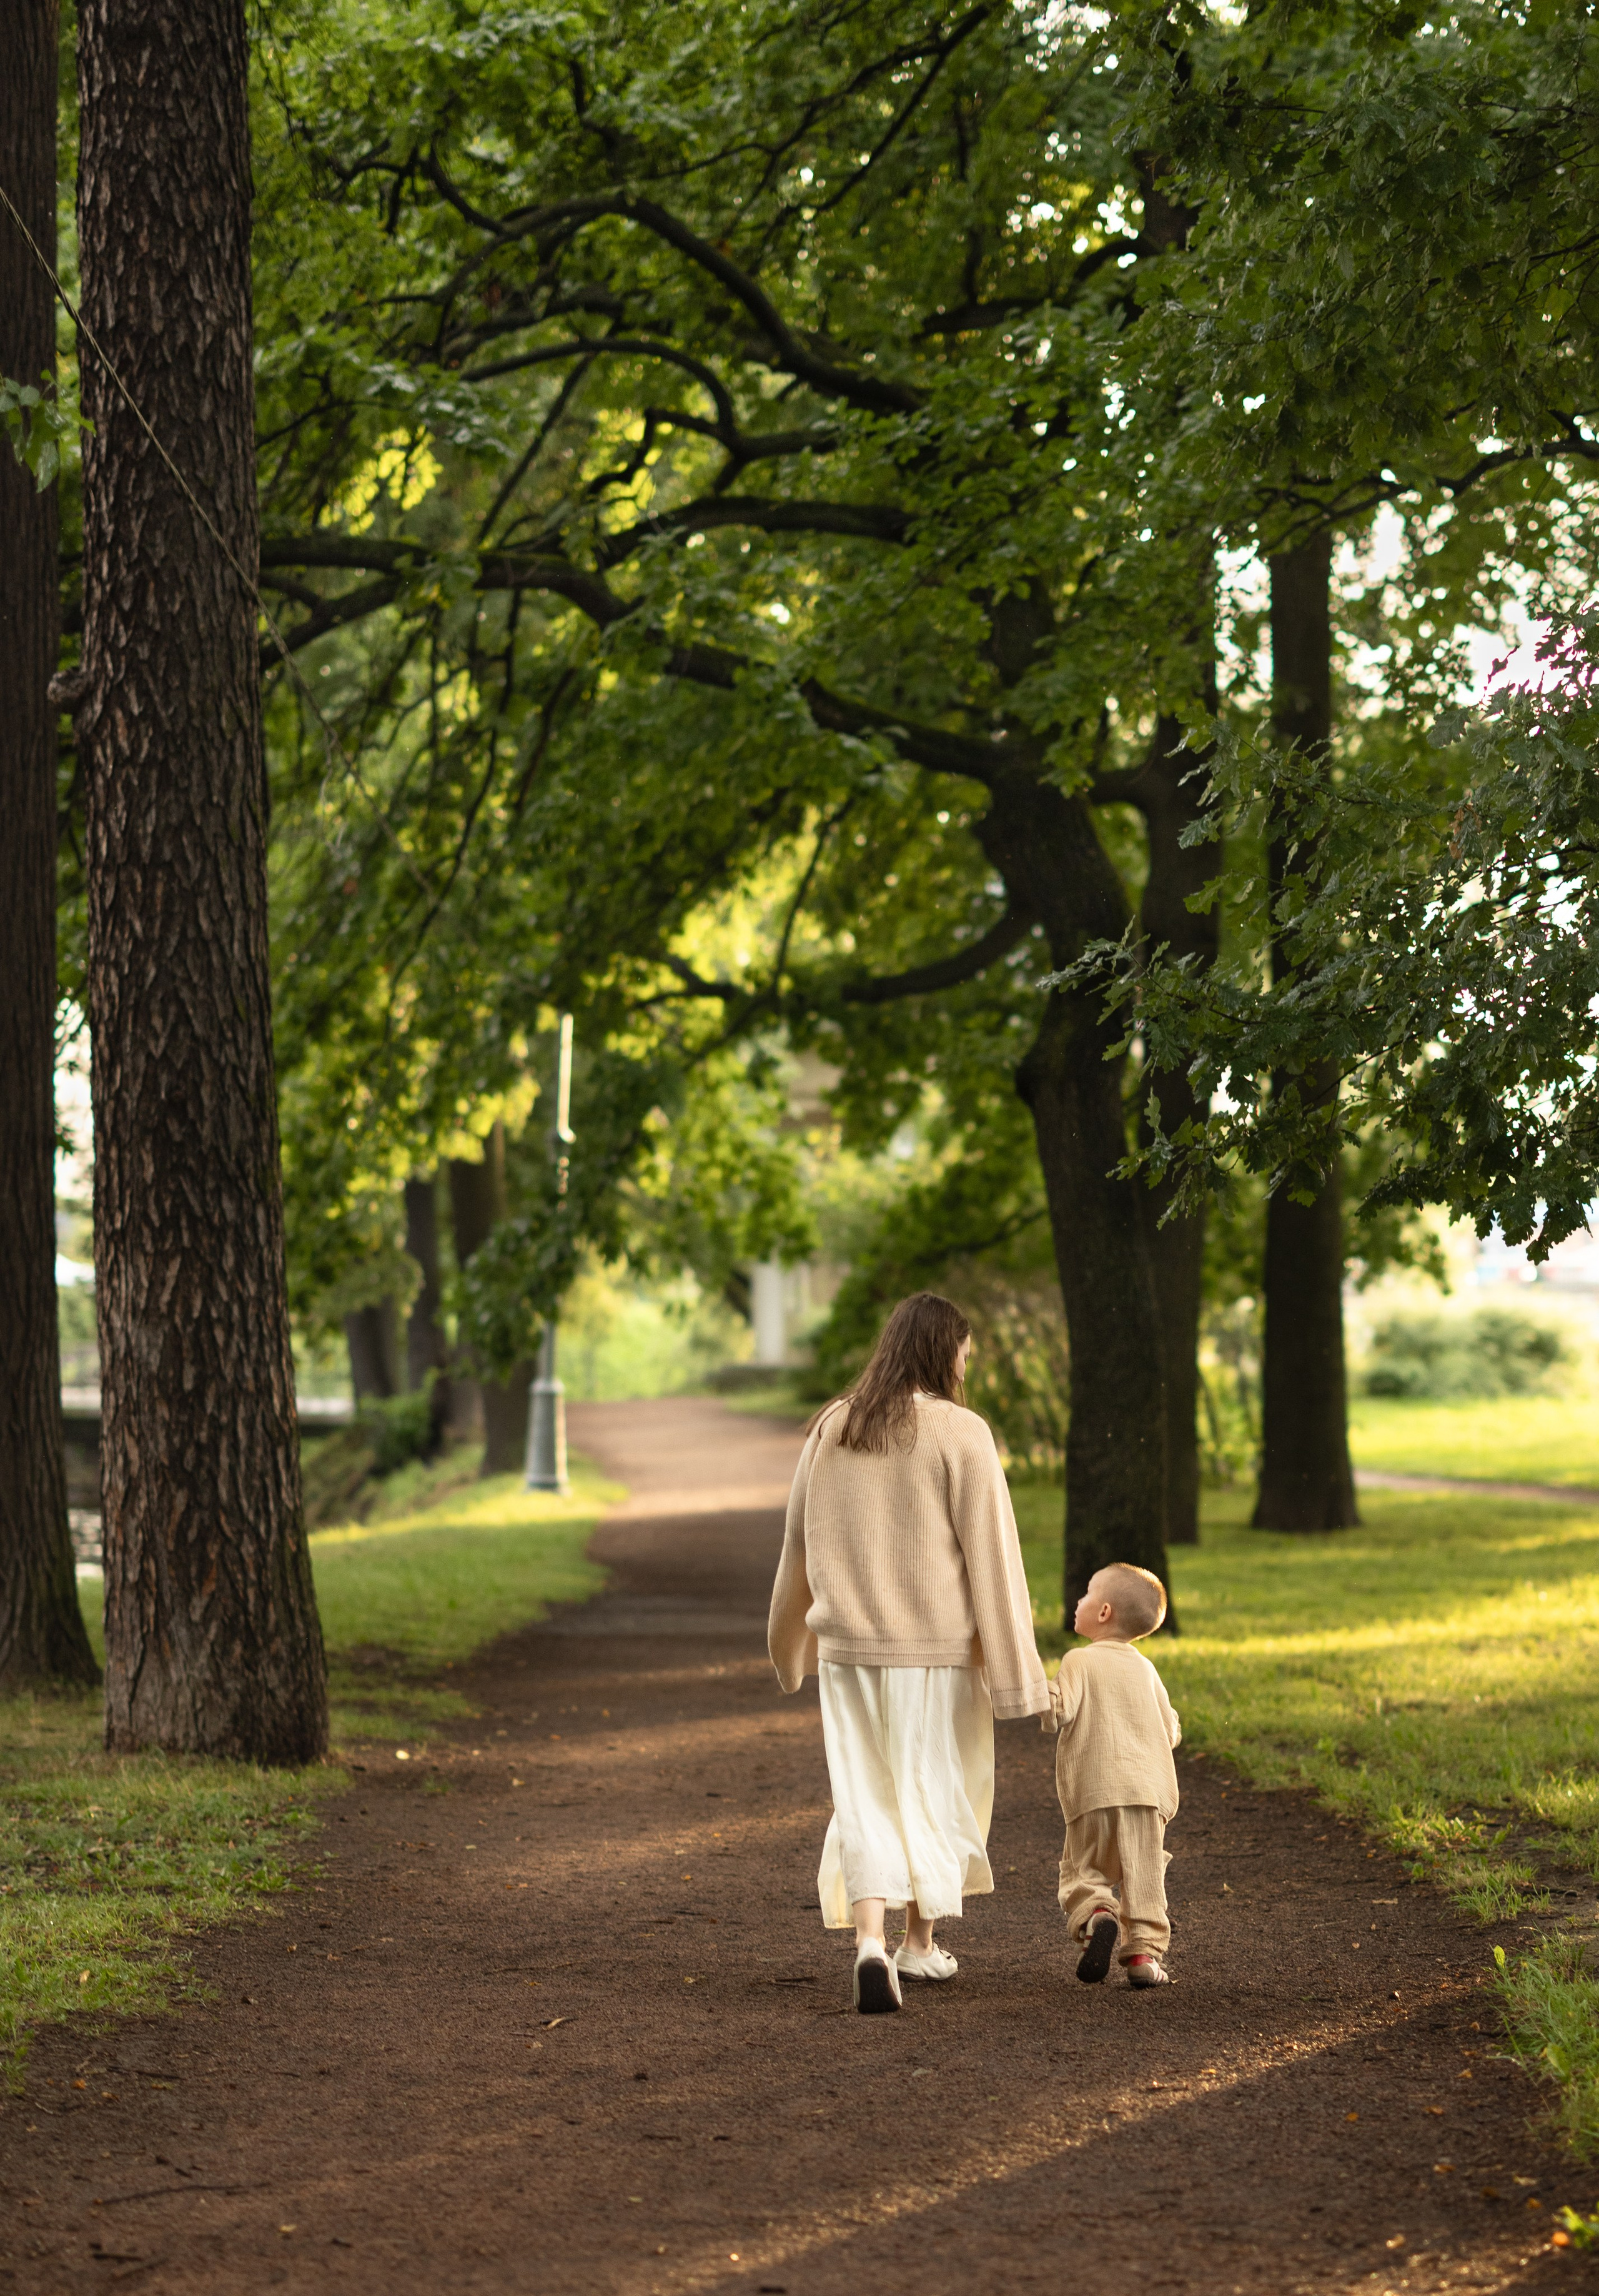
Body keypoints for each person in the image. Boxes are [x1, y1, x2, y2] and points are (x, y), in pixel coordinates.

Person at [767, 1291, 1051, 2015]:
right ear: (940, 1351)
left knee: (863, 1795)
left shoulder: (833, 1426)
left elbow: (797, 1547)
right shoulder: (960, 1432)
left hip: (847, 1652)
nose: (965, 1363)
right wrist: (1021, 1681)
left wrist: (787, 1647)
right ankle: (918, 1947)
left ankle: (868, 1942)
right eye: (962, 1351)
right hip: (938, 1654)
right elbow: (994, 1559)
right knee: (937, 1786)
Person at [1045, 1562, 1181, 1989]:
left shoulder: (1079, 1660)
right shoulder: (1147, 1670)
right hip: (1148, 1795)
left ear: (1103, 1612)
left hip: (1093, 1791)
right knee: (1144, 1877)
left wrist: (1034, 1684)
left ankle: (1097, 1915)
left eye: (1086, 1593)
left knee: (1085, 1870)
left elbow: (1058, 1709)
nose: (1078, 1601)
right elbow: (1172, 1730)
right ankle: (1143, 1953)